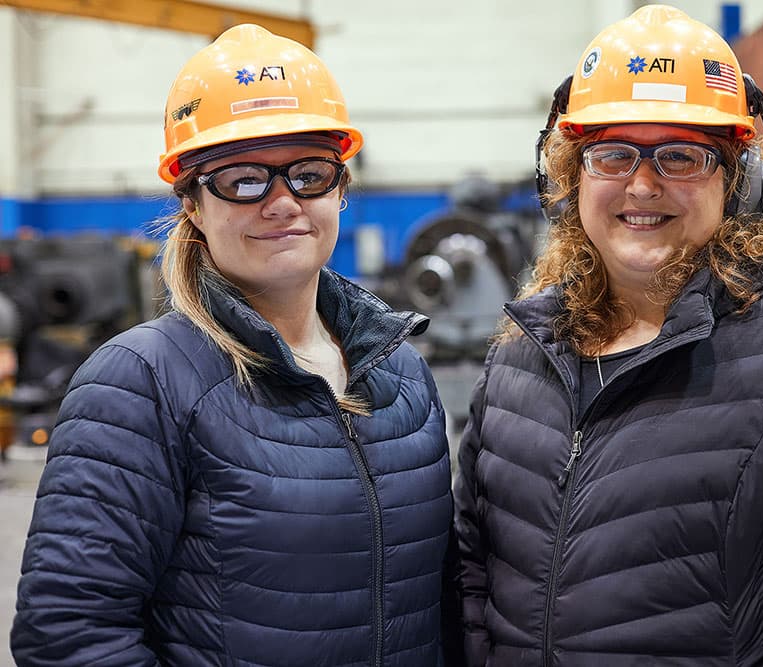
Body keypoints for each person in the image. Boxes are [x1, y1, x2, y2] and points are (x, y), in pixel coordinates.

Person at [449, 5, 763, 666]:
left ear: (740, 183)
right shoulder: (525, 352)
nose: (642, 184)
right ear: (569, 179)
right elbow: (473, 564)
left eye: (681, 156)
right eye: (612, 154)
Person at [12, 24, 452, 666]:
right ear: (190, 201)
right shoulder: (139, 384)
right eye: (242, 179)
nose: (282, 203)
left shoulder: (401, 373)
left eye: (308, 173)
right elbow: (70, 636)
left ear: (340, 187)